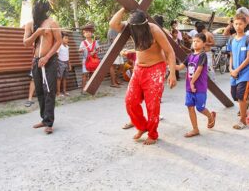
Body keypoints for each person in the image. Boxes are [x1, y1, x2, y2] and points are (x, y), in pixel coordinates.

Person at [109, 8, 177, 145]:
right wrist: (124, 7)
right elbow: (113, 24)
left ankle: (152, 134)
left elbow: (169, 52)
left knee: (152, 105)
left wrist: (173, 74)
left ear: (144, 25)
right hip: (139, 68)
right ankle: (142, 126)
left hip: (156, 68)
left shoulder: (155, 30)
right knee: (130, 101)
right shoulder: (131, 27)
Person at [23, 0, 62, 134]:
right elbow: (26, 43)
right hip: (36, 61)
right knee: (39, 91)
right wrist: (38, 33)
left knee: (49, 91)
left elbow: (59, 41)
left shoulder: (52, 23)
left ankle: (49, 123)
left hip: (49, 61)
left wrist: (46, 57)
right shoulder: (30, 24)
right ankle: (44, 119)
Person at [176, 33, 216, 137]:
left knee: (200, 108)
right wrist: (170, 65)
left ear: (203, 44)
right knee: (190, 107)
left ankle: (210, 116)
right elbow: (180, 67)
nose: (195, 43)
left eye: (198, 41)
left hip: (199, 87)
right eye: (194, 41)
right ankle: (195, 129)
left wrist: (192, 83)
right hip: (190, 88)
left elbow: (198, 71)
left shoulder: (202, 55)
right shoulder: (189, 56)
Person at [227, 13, 249, 129]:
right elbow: (231, 55)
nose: (238, 26)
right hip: (234, 73)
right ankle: (246, 100)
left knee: (240, 97)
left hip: (245, 73)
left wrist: (237, 70)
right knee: (234, 96)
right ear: (233, 25)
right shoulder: (231, 40)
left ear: (245, 25)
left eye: (241, 24)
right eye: (236, 24)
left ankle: (243, 121)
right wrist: (230, 69)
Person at [79, 24, 100, 92]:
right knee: (85, 74)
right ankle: (83, 89)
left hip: (93, 60)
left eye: (89, 32)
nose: (87, 33)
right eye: (85, 32)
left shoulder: (95, 42)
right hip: (86, 60)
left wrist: (95, 51)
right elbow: (80, 50)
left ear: (92, 33)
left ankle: (91, 88)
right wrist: (81, 50)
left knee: (92, 74)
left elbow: (98, 49)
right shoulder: (83, 42)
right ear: (84, 34)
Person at [57, 32, 71, 97]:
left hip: (66, 63)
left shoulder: (67, 47)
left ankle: (64, 91)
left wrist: (69, 64)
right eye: (65, 38)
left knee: (65, 78)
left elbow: (68, 56)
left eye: (67, 38)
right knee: (59, 78)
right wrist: (57, 64)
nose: (67, 40)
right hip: (60, 63)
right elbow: (56, 55)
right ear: (61, 38)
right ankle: (58, 93)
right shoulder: (59, 46)